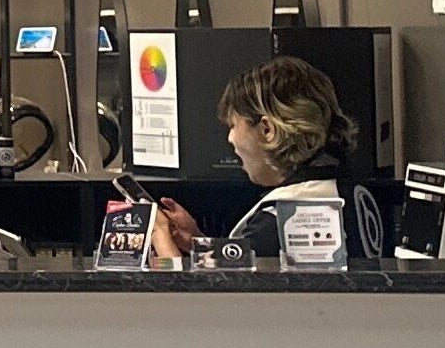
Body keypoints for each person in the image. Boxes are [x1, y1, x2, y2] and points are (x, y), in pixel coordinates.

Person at [146, 57, 357, 262]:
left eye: (233, 126)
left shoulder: (282, 221)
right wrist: (197, 242)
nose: (230, 139)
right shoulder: (342, 194)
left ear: (267, 130)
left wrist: (160, 236)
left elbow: (204, 296)